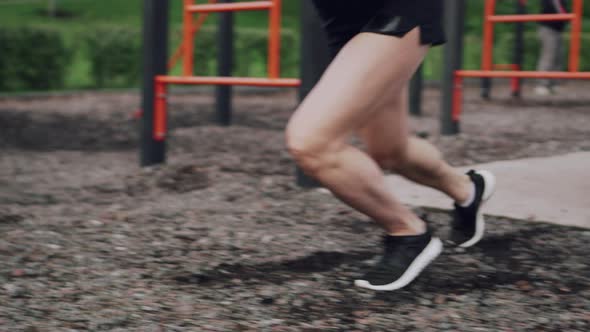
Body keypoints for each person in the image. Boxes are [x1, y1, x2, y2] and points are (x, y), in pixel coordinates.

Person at [285, 0, 496, 291]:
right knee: (389, 150)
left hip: (396, 11)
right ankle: (467, 189)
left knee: (311, 142)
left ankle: (408, 232)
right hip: (347, 25)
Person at [535, 0, 569, 96]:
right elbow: (559, 11)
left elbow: (563, 11)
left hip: (557, 30)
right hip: (548, 29)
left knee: (558, 57)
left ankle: (554, 84)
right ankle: (541, 85)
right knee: (548, 57)